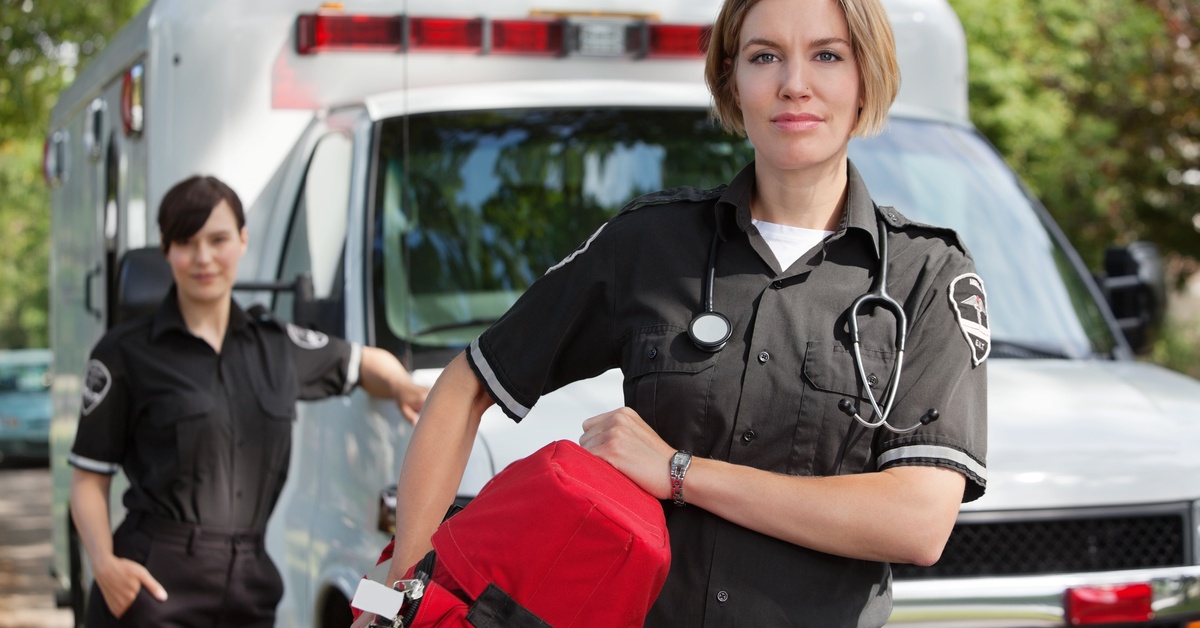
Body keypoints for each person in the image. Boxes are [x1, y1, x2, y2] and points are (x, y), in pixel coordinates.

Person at [358, 0, 988, 625]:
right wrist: (401, 597)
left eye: (827, 55)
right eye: (764, 56)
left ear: (864, 79)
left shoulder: (926, 275)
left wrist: (679, 473)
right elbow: (466, 385)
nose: (794, 84)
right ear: (733, 83)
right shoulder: (649, 245)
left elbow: (917, 522)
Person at [68, 175, 429, 627]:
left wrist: (404, 387)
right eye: (186, 242)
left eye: (217, 239)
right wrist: (103, 565)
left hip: (249, 586)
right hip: (154, 584)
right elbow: (87, 480)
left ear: (242, 240)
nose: (203, 258)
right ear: (166, 250)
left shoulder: (276, 346)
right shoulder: (124, 353)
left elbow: (362, 363)